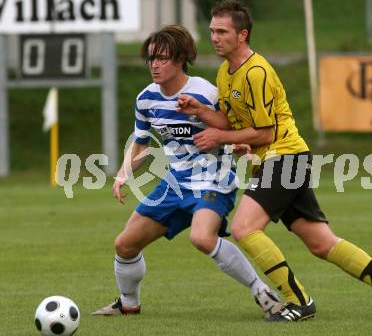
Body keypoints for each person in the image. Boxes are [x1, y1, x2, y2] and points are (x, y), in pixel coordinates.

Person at [177, 0, 372, 321]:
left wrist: (221, 138)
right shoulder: (225, 72)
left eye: (222, 31)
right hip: (279, 160)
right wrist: (202, 112)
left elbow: (264, 133)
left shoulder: (257, 72)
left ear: (243, 35)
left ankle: (298, 301)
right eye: (212, 31)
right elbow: (234, 124)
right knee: (320, 242)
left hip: (286, 157)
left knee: (245, 228)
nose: (215, 37)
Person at [93, 25, 281, 318]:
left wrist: (240, 145)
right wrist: (122, 174)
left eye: (163, 58)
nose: (154, 65)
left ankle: (262, 292)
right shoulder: (146, 99)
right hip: (174, 183)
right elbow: (141, 145)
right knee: (125, 244)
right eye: (151, 58)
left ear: (181, 59)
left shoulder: (206, 92)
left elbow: (234, 126)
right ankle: (128, 303)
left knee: (202, 238)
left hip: (213, 179)